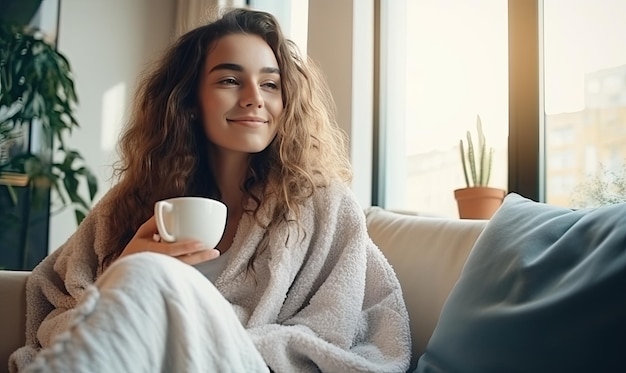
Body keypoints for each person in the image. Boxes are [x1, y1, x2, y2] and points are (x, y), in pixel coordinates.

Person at [9, 7, 411, 373]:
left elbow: (336, 327)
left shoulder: (322, 206)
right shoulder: (130, 202)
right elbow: (55, 298)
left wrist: (191, 321)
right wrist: (121, 271)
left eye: (270, 85)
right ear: (189, 100)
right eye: (231, 80)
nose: (254, 98)